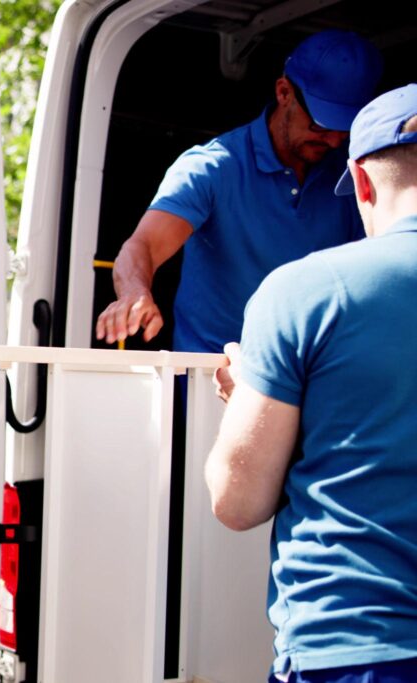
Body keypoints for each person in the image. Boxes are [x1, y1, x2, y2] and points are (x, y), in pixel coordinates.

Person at [205, 84, 417, 682]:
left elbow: (238, 502)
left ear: (364, 185)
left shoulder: (305, 291)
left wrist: (250, 400)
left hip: (356, 648)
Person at [95, 29, 383, 353]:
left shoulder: (351, 173)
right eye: (320, 125)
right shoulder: (212, 167)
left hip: (315, 377)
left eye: (343, 130)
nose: (332, 141)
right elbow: (143, 246)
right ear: (284, 92)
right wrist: (135, 293)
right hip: (212, 379)